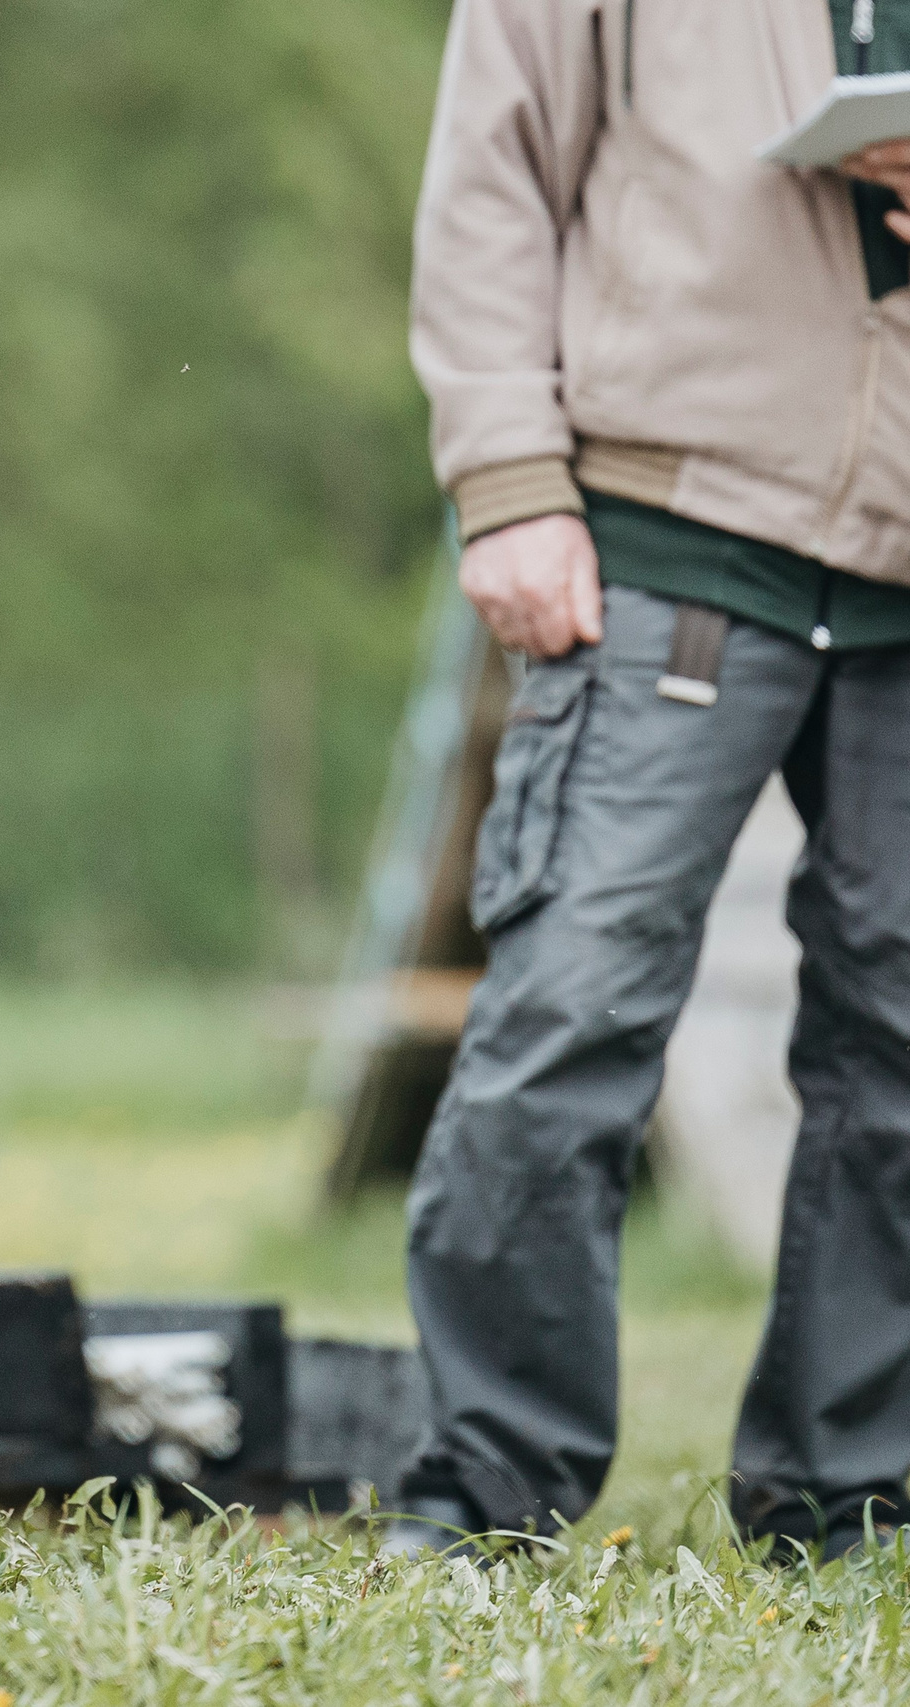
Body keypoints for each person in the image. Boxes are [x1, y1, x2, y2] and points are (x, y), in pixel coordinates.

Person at [397, 0, 910, 1559]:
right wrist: (507, 485)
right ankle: (486, 1496)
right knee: (573, 1009)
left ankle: (850, 1495)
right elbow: (492, 174)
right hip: (667, 528)